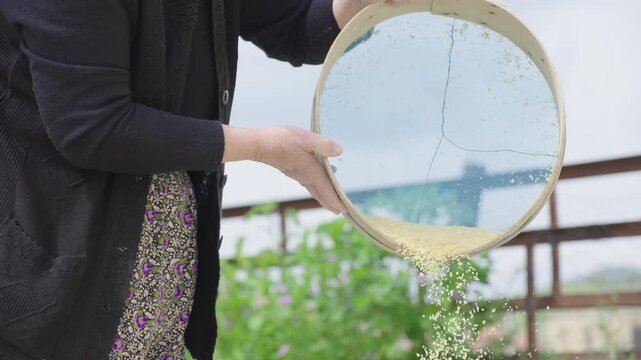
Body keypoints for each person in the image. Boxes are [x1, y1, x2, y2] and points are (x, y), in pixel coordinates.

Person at [0, 0, 407, 358]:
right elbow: (91, 126)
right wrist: (262, 146)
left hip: (161, 303)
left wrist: (354, 5)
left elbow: (295, 24)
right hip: (46, 291)